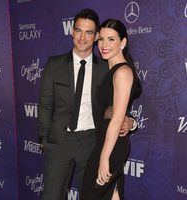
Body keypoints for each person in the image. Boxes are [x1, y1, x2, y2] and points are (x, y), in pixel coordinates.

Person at [38, 9, 137, 200]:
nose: (83, 37)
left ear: (96, 37)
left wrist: (131, 122)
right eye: (78, 30)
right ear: (71, 32)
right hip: (60, 142)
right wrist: (45, 139)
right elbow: (44, 104)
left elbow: (117, 102)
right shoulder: (54, 64)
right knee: (51, 196)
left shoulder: (105, 66)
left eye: (89, 32)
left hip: (93, 142)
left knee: (92, 196)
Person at [81, 19, 141, 200]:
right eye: (101, 39)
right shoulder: (109, 69)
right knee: (112, 194)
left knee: (91, 194)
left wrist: (104, 158)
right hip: (106, 140)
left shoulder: (122, 72)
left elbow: (116, 119)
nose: (104, 45)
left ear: (123, 42)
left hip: (110, 146)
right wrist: (128, 119)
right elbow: (113, 110)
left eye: (111, 39)